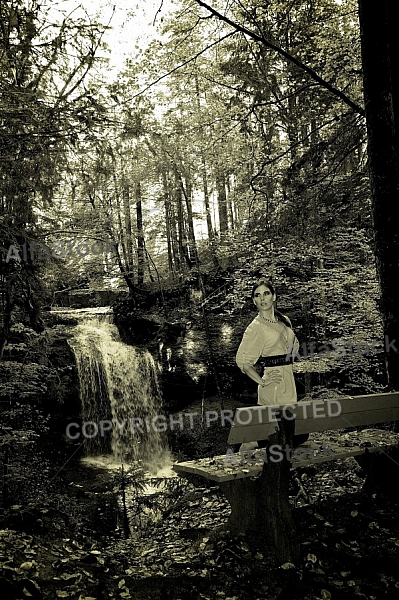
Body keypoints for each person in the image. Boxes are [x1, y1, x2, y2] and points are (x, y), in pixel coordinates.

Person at [236, 278, 300, 448]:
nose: (262, 298)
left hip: (289, 386)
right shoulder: (255, 328)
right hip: (273, 389)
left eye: (266, 293)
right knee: (268, 438)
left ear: (274, 296)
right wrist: (262, 381)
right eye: (257, 295)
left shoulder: (284, 320)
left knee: (289, 438)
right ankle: (240, 466)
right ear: (254, 301)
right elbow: (242, 361)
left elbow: (293, 347)